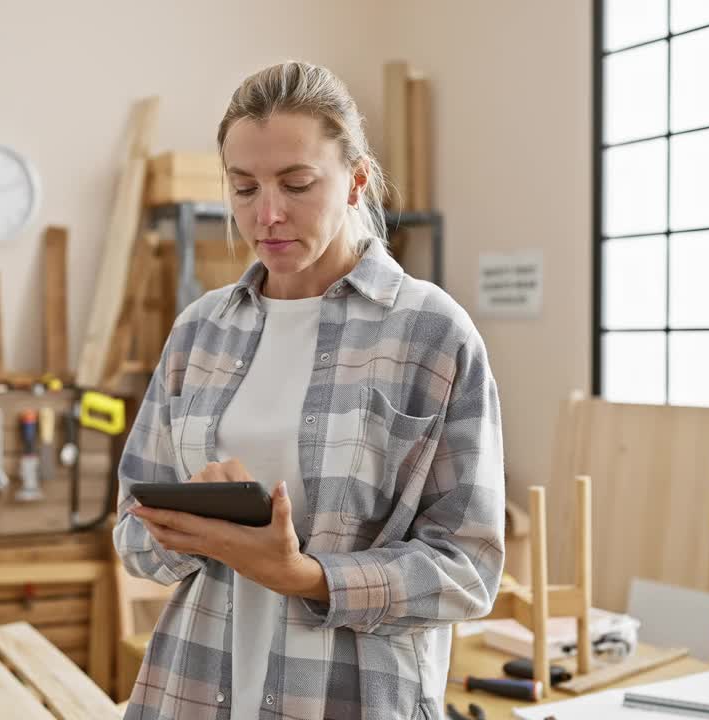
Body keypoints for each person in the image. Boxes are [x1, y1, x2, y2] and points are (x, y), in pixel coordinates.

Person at [114, 60, 505, 719]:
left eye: (296, 184)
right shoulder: (199, 331)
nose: (267, 214)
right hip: (190, 691)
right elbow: (130, 530)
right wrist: (188, 528)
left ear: (355, 181)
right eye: (243, 189)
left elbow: (468, 570)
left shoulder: (432, 333)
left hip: (349, 699)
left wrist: (307, 577)